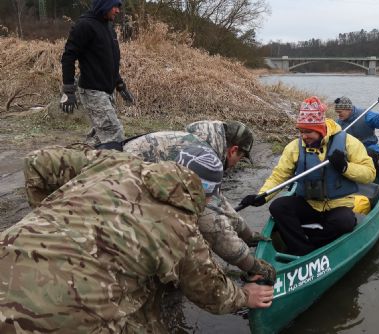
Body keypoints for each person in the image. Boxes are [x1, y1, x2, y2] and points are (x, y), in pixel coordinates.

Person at [0, 145, 274, 333]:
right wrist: (244, 296)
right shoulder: (182, 228)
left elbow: (36, 161)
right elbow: (212, 293)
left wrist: (49, 217)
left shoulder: (118, 162)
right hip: (60, 316)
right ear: (209, 195)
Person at [121, 120, 273, 276]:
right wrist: (252, 265)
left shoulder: (204, 146)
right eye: (240, 158)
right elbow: (211, 224)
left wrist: (246, 234)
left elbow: (217, 200)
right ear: (233, 150)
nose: (236, 164)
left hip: (131, 174)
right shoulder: (203, 159)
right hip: (125, 187)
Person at [240, 97, 376, 256]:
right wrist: (262, 196)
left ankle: (316, 242)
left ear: (321, 129)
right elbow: (279, 176)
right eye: (301, 131)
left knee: (344, 222)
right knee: (278, 207)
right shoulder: (294, 148)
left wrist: (345, 167)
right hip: (309, 204)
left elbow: (370, 174)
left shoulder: (348, 143)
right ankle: (303, 249)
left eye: (309, 132)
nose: (304, 136)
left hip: (339, 204)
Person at [60, 0, 134, 146]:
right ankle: (115, 167)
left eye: (119, 7)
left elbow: (108, 62)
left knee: (100, 136)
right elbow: (68, 56)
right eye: (114, 6)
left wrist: (119, 84)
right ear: (103, 4)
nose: (118, 11)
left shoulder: (108, 27)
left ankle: (85, 159)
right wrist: (68, 89)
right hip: (92, 91)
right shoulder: (84, 25)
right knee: (114, 135)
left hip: (107, 90)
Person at [334, 94, 379, 177]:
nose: (338, 115)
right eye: (337, 113)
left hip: (370, 150)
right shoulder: (338, 123)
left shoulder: (366, 115)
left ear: (348, 109)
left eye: (340, 112)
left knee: (368, 155)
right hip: (352, 151)